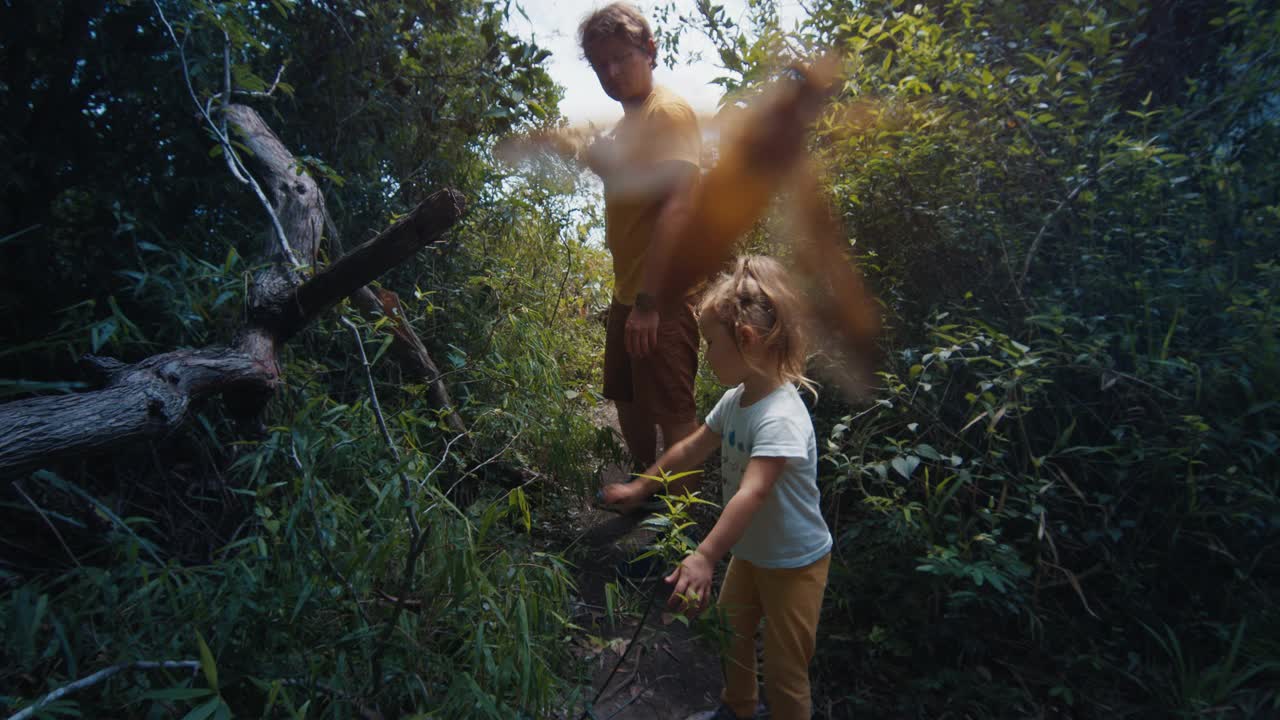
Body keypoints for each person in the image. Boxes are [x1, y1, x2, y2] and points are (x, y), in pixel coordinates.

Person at [601, 256, 833, 720]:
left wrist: (705, 555)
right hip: (750, 555)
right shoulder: (735, 400)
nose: (705, 355)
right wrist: (642, 487)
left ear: (744, 340)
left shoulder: (780, 416)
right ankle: (738, 709)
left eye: (709, 343)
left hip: (795, 565)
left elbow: (753, 492)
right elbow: (691, 449)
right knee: (730, 634)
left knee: (786, 670)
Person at [577, 2, 704, 473]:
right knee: (628, 398)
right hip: (628, 291)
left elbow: (680, 205)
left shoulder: (666, 113)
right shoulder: (628, 124)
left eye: (621, 58)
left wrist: (650, 304)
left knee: (673, 409)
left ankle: (683, 532)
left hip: (660, 293)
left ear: (649, 50)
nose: (611, 72)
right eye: (600, 65)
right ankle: (643, 493)